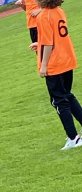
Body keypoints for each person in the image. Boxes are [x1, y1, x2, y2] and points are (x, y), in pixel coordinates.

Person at [29, 0, 82, 150]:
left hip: (55, 64)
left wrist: (44, 65)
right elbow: (54, 37)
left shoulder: (43, 16)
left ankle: (74, 138)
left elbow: (49, 43)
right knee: (67, 95)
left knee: (59, 101)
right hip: (67, 59)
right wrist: (39, 44)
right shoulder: (59, 11)